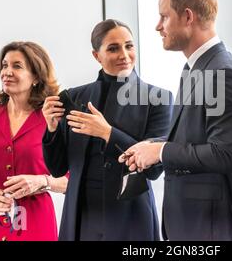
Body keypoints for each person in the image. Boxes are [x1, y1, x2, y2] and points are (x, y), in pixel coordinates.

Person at [119, 0, 232, 241]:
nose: (158, 26)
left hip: (211, 229)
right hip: (191, 225)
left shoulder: (222, 72)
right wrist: (151, 146)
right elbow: (195, 138)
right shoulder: (195, 67)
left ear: (188, 17)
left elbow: (224, 154)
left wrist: (160, 151)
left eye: (164, 17)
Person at [42, 19, 172, 241]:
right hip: (81, 216)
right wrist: (51, 128)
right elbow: (57, 168)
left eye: (129, 46)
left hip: (131, 216)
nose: (124, 54)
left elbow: (153, 171)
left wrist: (107, 133)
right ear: (96, 55)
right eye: (113, 48)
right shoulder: (72, 97)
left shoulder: (158, 99)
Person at [0, 41, 68, 241]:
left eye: (17, 66)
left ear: (36, 77)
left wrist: (41, 181)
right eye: (4, 65)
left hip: (36, 219)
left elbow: (71, 180)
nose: (7, 72)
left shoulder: (52, 119)